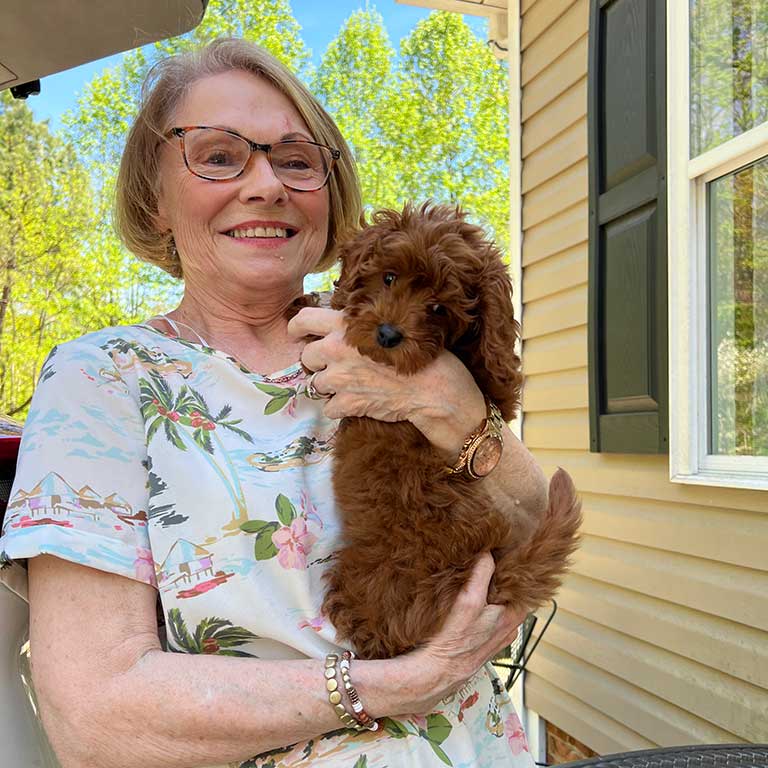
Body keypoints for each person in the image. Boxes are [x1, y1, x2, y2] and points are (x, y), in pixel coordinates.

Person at [0, 39, 549, 768]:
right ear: (155, 199)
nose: (266, 185)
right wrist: (398, 684)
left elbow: (535, 518)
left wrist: (452, 407)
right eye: (219, 155)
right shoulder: (103, 379)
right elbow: (95, 716)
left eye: (296, 159)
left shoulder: (404, 331)